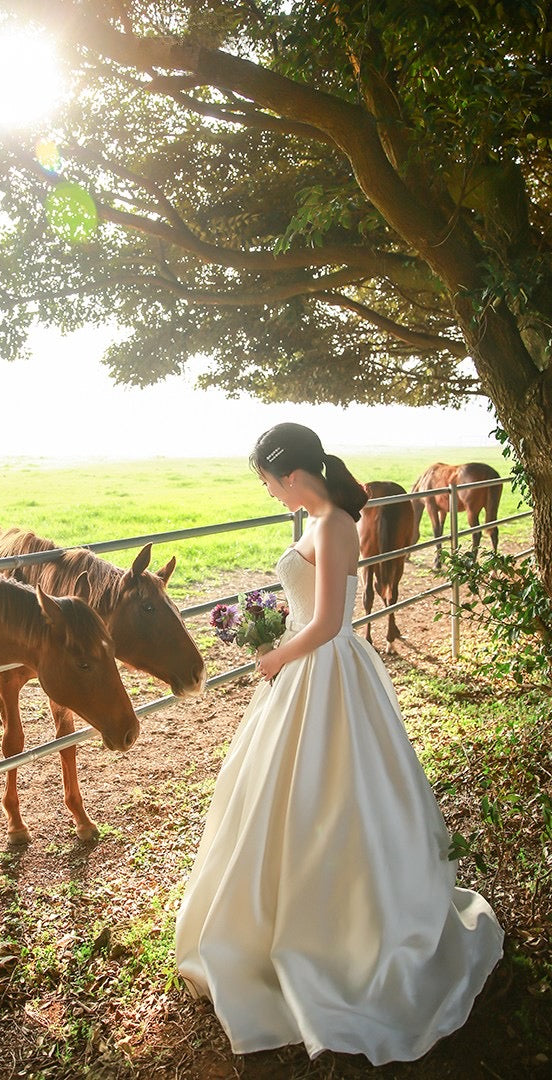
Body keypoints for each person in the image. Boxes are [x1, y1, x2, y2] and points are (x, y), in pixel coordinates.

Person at [175, 422, 503, 1066]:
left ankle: (333, 935)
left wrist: (271, 659)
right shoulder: (323, 520)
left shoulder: (331, 526)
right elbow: (309, 608)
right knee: (283, 792)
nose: (268, 493)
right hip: (309, 666)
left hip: (321, 666)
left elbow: (328, 623)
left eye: (268, 482)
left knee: (329, 792)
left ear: (292, 476)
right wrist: (268, 628)